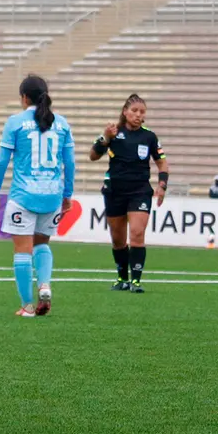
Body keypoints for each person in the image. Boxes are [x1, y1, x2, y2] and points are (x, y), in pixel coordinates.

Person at [0, 75, 75, 317]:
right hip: (52, 195)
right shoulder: (62, 123)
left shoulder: (16, 122)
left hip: (24, 195)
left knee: (22, 251)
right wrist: (67, 194)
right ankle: (44, 285)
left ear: (24, 98)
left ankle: (27, 306)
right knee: (42, 245)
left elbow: (2, 161)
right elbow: (70, 162)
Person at [89, 94, 168, 293]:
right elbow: (93, 156)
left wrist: (162, 185)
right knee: (117, 239)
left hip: (139, 191)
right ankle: (122, 278)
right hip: (114, 191)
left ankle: (136, 281)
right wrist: (105, 137)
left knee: (137, 233)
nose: (138, 115)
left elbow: (161, 162)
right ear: (125, 112)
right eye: (134, 110)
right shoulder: (113, 132)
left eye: (142, 112)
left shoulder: (149, 136)